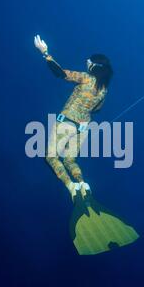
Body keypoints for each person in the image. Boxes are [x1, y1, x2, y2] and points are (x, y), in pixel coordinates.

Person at [34, 35, 113, 200]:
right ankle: (83, 185)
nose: (86, 62)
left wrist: (45, 53)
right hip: (83, 128)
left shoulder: (86, 78)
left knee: (50, 156)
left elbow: (61, 73)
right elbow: (97, 109)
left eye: (88, 61)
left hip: (66, 122)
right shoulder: (104, 89)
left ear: (93, 66)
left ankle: (71, 188)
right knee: (70, 160)